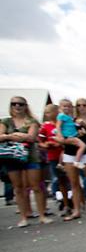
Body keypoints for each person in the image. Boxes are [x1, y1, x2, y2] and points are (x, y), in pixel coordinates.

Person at [0, 96, 52, 227]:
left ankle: (42, 215)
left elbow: (31, 137)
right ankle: (23, 217)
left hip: (31, 157)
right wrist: (15, 136)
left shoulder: (32, 121)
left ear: (25, 106)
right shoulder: (5, 121)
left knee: (36, 186)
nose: (17, 106)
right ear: (11, 106)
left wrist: (9, 136)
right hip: (12, 158)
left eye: (20, 104)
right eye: (14, 104)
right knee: (18, 188)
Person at [38, 103, 71, 215]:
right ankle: (65, 204)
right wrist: (46, 145)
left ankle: (78, 202)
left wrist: (60, 143)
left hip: (66, 154)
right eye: (46, 112)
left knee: (71, 179)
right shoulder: (45, 126)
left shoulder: (64, 123)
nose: (47, 115)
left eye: (49, 112)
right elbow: (39, 142)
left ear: (56, 112)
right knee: (59, 180)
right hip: (53, 157)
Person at [55, 102, 86, 169]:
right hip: (67, 136)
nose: (66, 108)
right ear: (60, 108)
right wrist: (60, 135)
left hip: (72, 135)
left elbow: (70, 127)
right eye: (64, 106)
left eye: (69, 106)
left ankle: (66, 162)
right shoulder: (61, 116)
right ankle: (76, 162)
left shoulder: (69, 117)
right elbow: (58, 126)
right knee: (83, 146)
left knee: (79, 146)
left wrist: (79, 133)